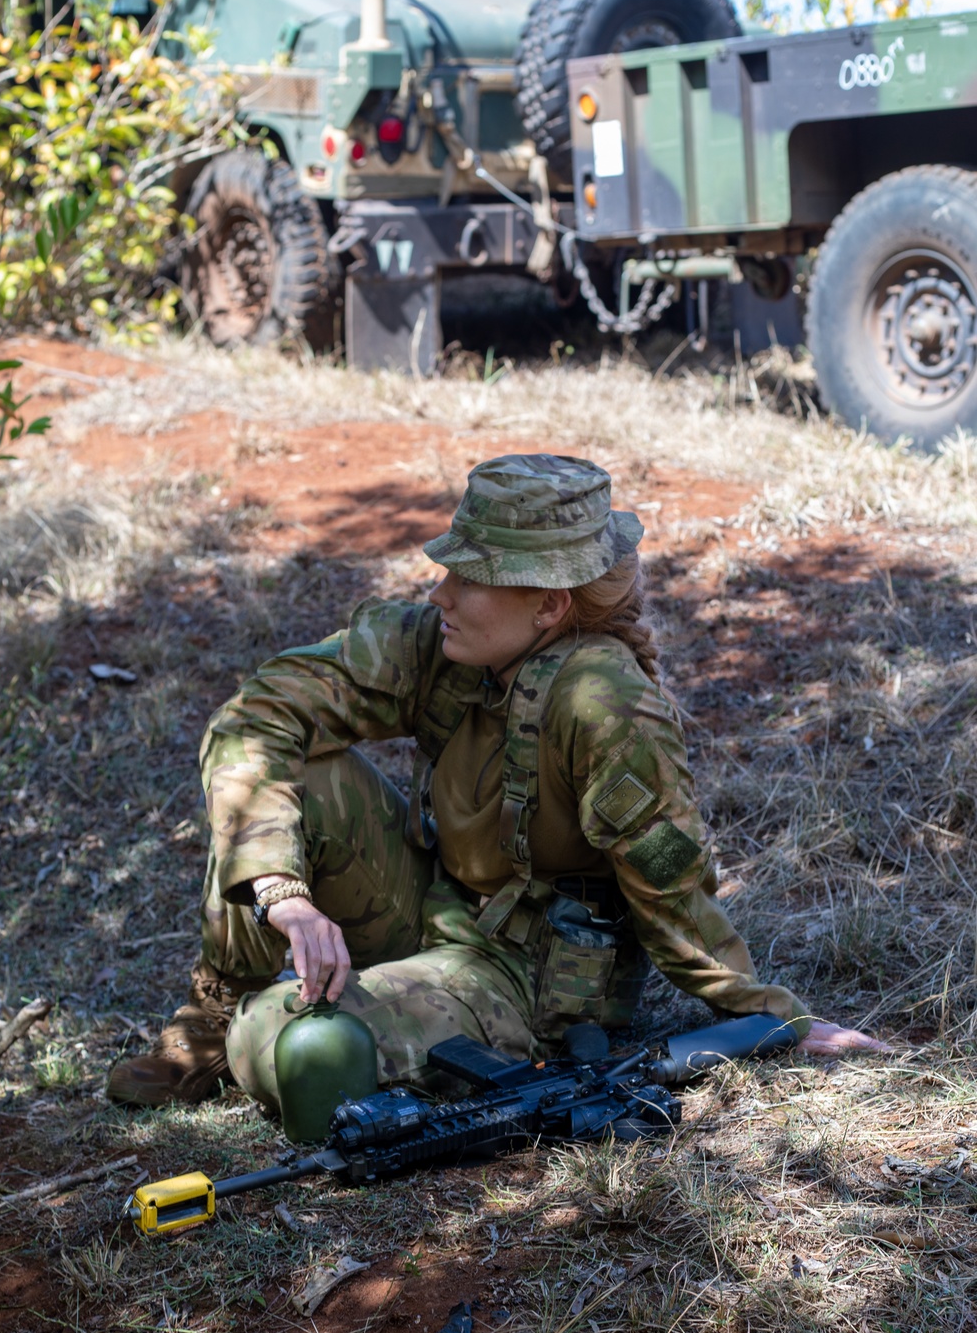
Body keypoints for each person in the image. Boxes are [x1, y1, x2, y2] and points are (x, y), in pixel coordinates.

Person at [106, 454, 885, 1109]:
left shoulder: (605, 704)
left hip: (526, 975)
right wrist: (284, 891)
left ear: (549, 605)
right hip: (438, 908)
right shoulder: (438, 645)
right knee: (289, 775)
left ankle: (260, 1030)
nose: (441, 590)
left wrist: (771, 1020)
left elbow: (670, 887)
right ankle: (204, 1032)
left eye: (470, 576)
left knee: (288, 1043)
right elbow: (257, 717)